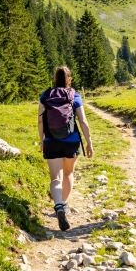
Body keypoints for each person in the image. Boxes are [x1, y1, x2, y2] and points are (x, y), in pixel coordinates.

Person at [38, 65, 93, 231]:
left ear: (54, 78)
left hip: (51, 140)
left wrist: (42, 140)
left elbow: (40, 121)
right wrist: (89, 141)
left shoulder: (45, 95)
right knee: (68, 173)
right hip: (72, 140)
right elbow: (82, 121)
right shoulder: (74, 95)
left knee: (55, 178)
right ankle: (65, 204)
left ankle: (59, 206)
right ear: (69, 79)